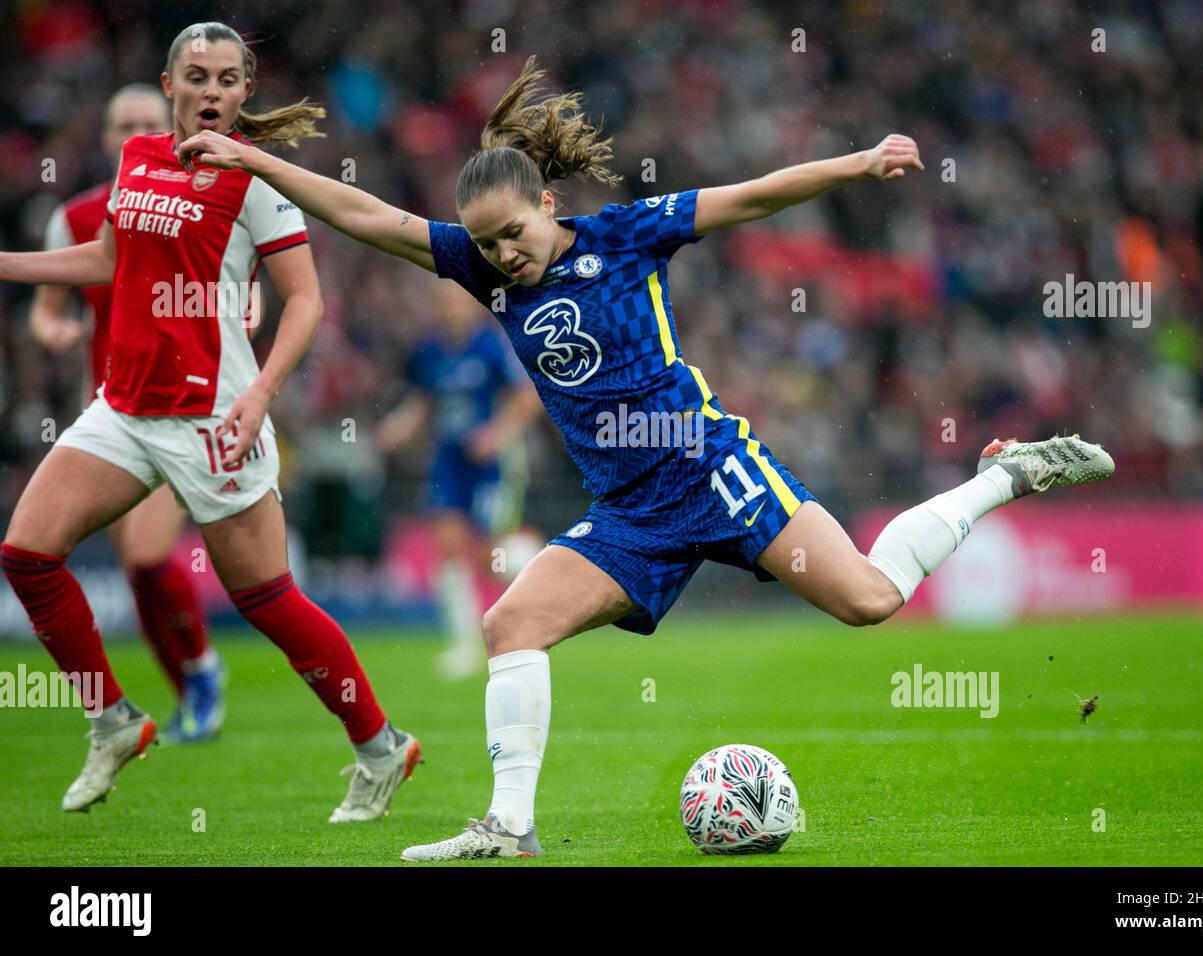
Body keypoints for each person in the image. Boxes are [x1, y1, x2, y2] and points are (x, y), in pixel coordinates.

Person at [177, 55, 1115, 860]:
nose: (504, 254)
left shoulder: (630, 234)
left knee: (871, 599)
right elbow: (367, 215)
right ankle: (509, 828)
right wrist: (251, 160)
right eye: (491, 242)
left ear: (550, 205)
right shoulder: (473, 267)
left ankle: (1006, 474)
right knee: (511, 627)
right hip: (627, 514)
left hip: (713, 472)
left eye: (516, 233)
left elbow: (752, 196)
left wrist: (859, 163)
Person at [0, 21, 420, 821]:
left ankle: (379, 744)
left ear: (243, 92)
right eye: (197, 76)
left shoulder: (257, 181)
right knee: (27, 555)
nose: (212, 92)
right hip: (123, 409)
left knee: (267, 600)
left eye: (228, 80)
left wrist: (258, 396)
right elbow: (108, 263)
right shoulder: (137, 159)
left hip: (212, 417)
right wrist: (7, 267)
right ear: (169, 87)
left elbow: (306, 300)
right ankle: (113, 717)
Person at [30, 82, 225, 743]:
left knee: (147, 557)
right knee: (138, 577)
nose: (134, 130)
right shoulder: (77, 218)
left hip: (177, 407)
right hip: (107, 412)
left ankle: (203, 668)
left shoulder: (196, 201)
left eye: (146, 120)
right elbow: (49, 309)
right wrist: (52, 330)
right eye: (123, 122)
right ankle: (190, 697)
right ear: (108, 135)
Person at [376, 279, 541, 679]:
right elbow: (424, 399)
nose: (450, 309)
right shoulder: (430, 350)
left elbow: (527, 398)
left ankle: (540, 560)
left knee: (490, 559)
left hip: (491, 464)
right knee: (447, 548)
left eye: (457, 302)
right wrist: (399, 427)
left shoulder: (490, 346)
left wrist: (496, 434)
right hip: (448, 461)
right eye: (444, 302)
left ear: (472, 307)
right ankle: (464, 646)